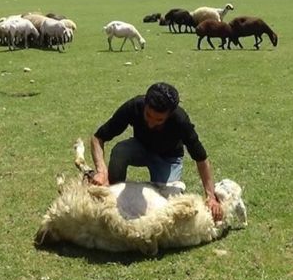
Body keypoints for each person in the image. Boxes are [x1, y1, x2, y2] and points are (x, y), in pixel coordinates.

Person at [90, 82, 223, 221]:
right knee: (120, 151)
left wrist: (211, 196)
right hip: (141, 148)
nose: (151, 123)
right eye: (148, 115)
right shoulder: (134, 106)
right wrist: (101, 171)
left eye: (159, 119)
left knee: (167, 202)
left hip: (168, 159)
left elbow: (201, 159)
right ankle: (111, 193)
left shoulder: (180, 120)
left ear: (170, 114)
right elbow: (98, 138)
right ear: (145, 104)